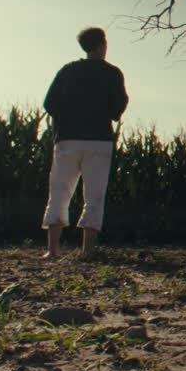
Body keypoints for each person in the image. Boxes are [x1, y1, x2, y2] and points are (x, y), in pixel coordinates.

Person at [41, 27, 128, 257]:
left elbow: (49, 103)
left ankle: (52, 250)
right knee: (94, 195)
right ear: (101, 45)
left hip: (67, 139)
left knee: (59, 192)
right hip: (99, 140)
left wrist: (66, 117)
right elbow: (118, 108)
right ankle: (87, 251)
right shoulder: (112, 73)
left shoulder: (68, 71)